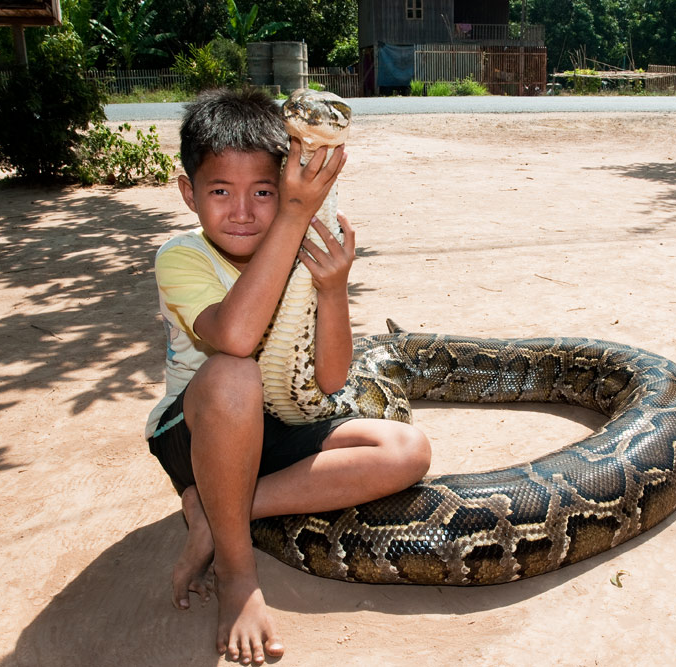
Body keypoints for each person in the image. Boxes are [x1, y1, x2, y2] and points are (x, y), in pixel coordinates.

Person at [144, 88, 431, 664]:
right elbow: (235, 339)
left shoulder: (305, 252)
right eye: (221, 191)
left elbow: (329, 381)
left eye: (265, 192)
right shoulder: (181, 257)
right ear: (187, 192)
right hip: (198, 430)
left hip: (275, 424)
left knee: (406, 448)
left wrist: (332, 290)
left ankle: (219, 511)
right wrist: (295, 213)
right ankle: (237, 574)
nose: (243, 211)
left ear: (286, 185)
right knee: (233, 375)